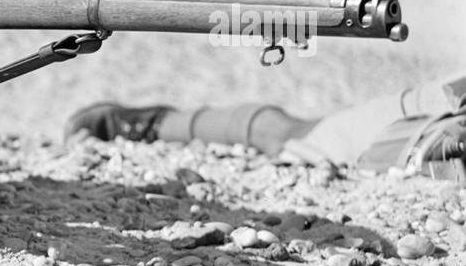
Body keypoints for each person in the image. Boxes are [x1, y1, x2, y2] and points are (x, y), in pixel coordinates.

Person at [66, 75, 466, 183]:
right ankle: (158, 125)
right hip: (442, 118)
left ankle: (159, 124)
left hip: (433, 147)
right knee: (296, 135)